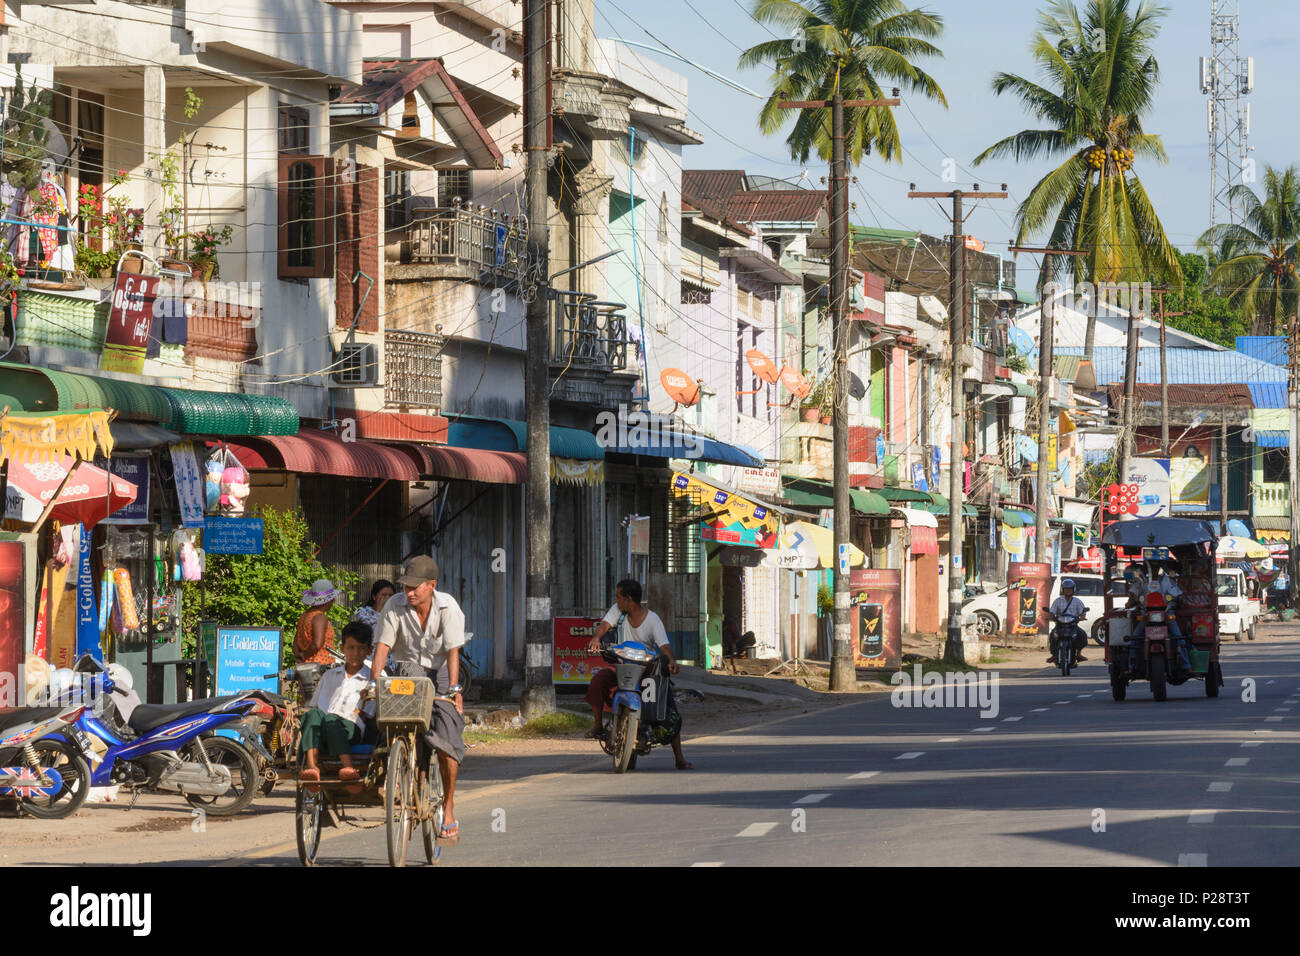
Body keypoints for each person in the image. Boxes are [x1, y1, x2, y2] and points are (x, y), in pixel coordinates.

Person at [370, 555, 466, 846]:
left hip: (441, 673)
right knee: (387, 720)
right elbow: (382, 648)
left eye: (415, 587)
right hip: (408, 670)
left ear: (431, 585)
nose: (409, 592)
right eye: (406, 587)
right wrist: (375, 682)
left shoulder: (448, 607)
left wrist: (454, 690)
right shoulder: (394, 605)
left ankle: (448, 808)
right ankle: (399, 771)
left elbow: (452, 653)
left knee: (448, 741)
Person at [583, 578, 692, 770]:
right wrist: (596, 638)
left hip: (645, 669)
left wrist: (671, 660)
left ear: (629, 599)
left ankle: (679, 757)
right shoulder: (618, 611)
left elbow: (664, 645)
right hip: (621, 666)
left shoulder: (652, 619)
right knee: (598, 681)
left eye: (619, 597)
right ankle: (598, 725)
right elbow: (604, 625)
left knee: (668, 705)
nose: (616, 600)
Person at [299, 622, 374, 784]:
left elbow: (366, 712)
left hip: (350, 727)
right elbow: (315, 706)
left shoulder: (371, 679)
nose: (355, 653)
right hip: (323, 728)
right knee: (313, 714)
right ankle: (312, 766)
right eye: (351, 648)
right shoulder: (329, 676)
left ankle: (348, 767)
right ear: (342, 648)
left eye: (361, 648)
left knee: (332, 719)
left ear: (369, 650)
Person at [1127, 562, 1192, 673]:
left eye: (1155, 566)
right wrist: (1131, 601)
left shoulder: (1166, 580)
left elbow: (1177, 593)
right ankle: (1132, 666)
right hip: (1146, 614)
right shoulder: (1141, 581)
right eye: (1151, 566)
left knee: (1179, 638)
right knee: (1135, 638)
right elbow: (1133, 594)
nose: (1153, 568)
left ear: (1160, 567)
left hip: (1166, 613)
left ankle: (1186, 665)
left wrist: (1180, 599)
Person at [294, 579, 341, 666]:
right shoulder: (320, 618)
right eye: (332, 599)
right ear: (328, 601)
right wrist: (303, 656)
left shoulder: (305, 615)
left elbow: (296, 641)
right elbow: (317, 644)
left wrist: (299, 657)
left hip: (305, 666)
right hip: (320, 665)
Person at [1046, 578, 1088, 664]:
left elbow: (1082, 612)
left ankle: (1079, 654)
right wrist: (1050, 617)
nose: (1068, 591)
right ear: (1063, 590)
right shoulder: (1058, 601)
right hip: (1060, 625)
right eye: (1066, 589)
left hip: (1072, 625)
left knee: (1082, 635)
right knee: (1052, 636)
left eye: (1069, 589)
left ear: (1073, 590)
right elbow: (1052, 612)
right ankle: (1054, 655)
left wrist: (1082, 617)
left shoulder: (1077, 601)